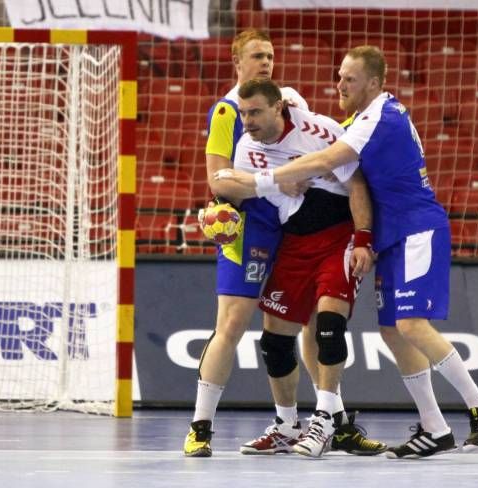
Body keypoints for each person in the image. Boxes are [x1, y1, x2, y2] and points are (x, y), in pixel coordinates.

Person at [215, 45, 478, 459]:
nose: (339, 84)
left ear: (373, 83)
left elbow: (326, 159)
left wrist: (264, 181)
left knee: (410, 325)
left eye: (348, 79)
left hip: (416, 228)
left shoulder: (377, 118)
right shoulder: (359, 119)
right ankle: (435, 426)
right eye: (338, 75)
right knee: (392, 330)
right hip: (389, 234)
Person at [184, 30, 379, 458]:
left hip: (293, 229)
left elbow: (319, 157)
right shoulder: (226, 112)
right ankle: (201, 426)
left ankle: (333, 424)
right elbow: (220, 182)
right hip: (253, 227)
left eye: (270, 55)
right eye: (257, 56)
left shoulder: (293, 101)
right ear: (237, 61)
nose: (266, 62)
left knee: (315, 325)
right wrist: (228, 203)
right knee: (234, 324)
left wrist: (302, 177)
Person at [233, 79, 386, 458]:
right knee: (274, 341)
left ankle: (325, 419)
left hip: (338, 236)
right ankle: (286, 425)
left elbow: (358, 185)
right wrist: (274, 187)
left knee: (330, 328)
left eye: (255, 112)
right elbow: (234, 186)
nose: (247, 121)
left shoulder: (320, 130)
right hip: (294, 244)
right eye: (243, 113)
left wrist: (364, 238)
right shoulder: (245, 147)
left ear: (278, 109)